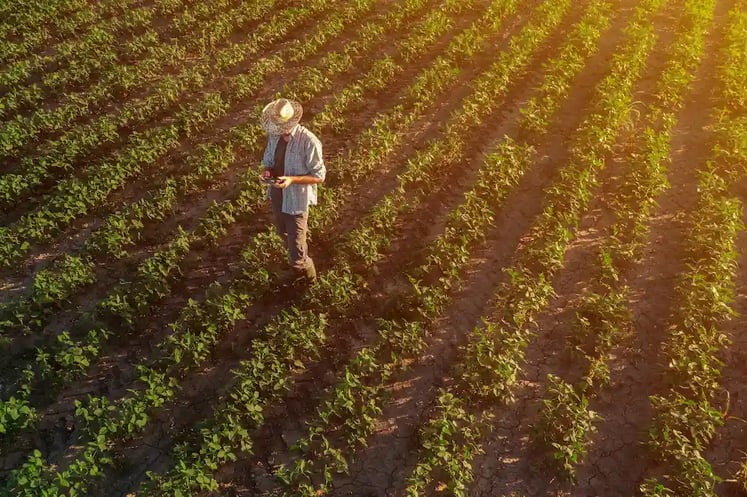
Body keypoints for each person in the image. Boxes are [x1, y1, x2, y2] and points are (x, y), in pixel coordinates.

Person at [259, 98, 325, 283]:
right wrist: (267, 173)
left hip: (296, 200)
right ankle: (298, 266)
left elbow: (319, 176)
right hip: (277, 194)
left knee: (297, 251)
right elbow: (269, 162)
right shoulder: (274, 136)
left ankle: (308, 280)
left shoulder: (309, 141)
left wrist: (292, 180)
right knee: (283, 232)